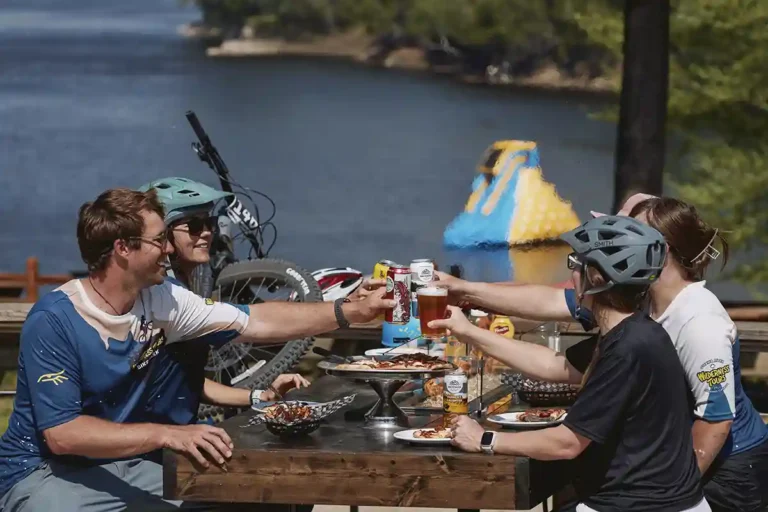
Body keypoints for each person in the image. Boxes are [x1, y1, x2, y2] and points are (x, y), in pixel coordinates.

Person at [0, 188, 392, 511]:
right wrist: (167, 435)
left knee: (252, 493)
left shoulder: (161, 298)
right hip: (43, 471)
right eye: (158, 241)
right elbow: (64, 435)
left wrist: (351, 311)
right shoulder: (54, 320)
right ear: (123, 248)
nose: (168, 251)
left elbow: (256, 320)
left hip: (124, 464)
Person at [435, 195, 768, 512]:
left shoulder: (698, 323)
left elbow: (717, 419)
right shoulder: (634, 309)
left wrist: (672, 489)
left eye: (629, 233)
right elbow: (559, 360)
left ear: (655, 250)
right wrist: (466, 311)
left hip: (729, 465)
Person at [138, 177, 308, 426]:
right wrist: (346, 311)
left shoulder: (179, 288)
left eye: (210, 223)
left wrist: (261, 395)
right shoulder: (165, 296)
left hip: (180, 430)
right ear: (163, 234)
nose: (207, 232)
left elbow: (188, 380)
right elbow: (257, 323)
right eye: (195, 226)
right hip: (156, 439)